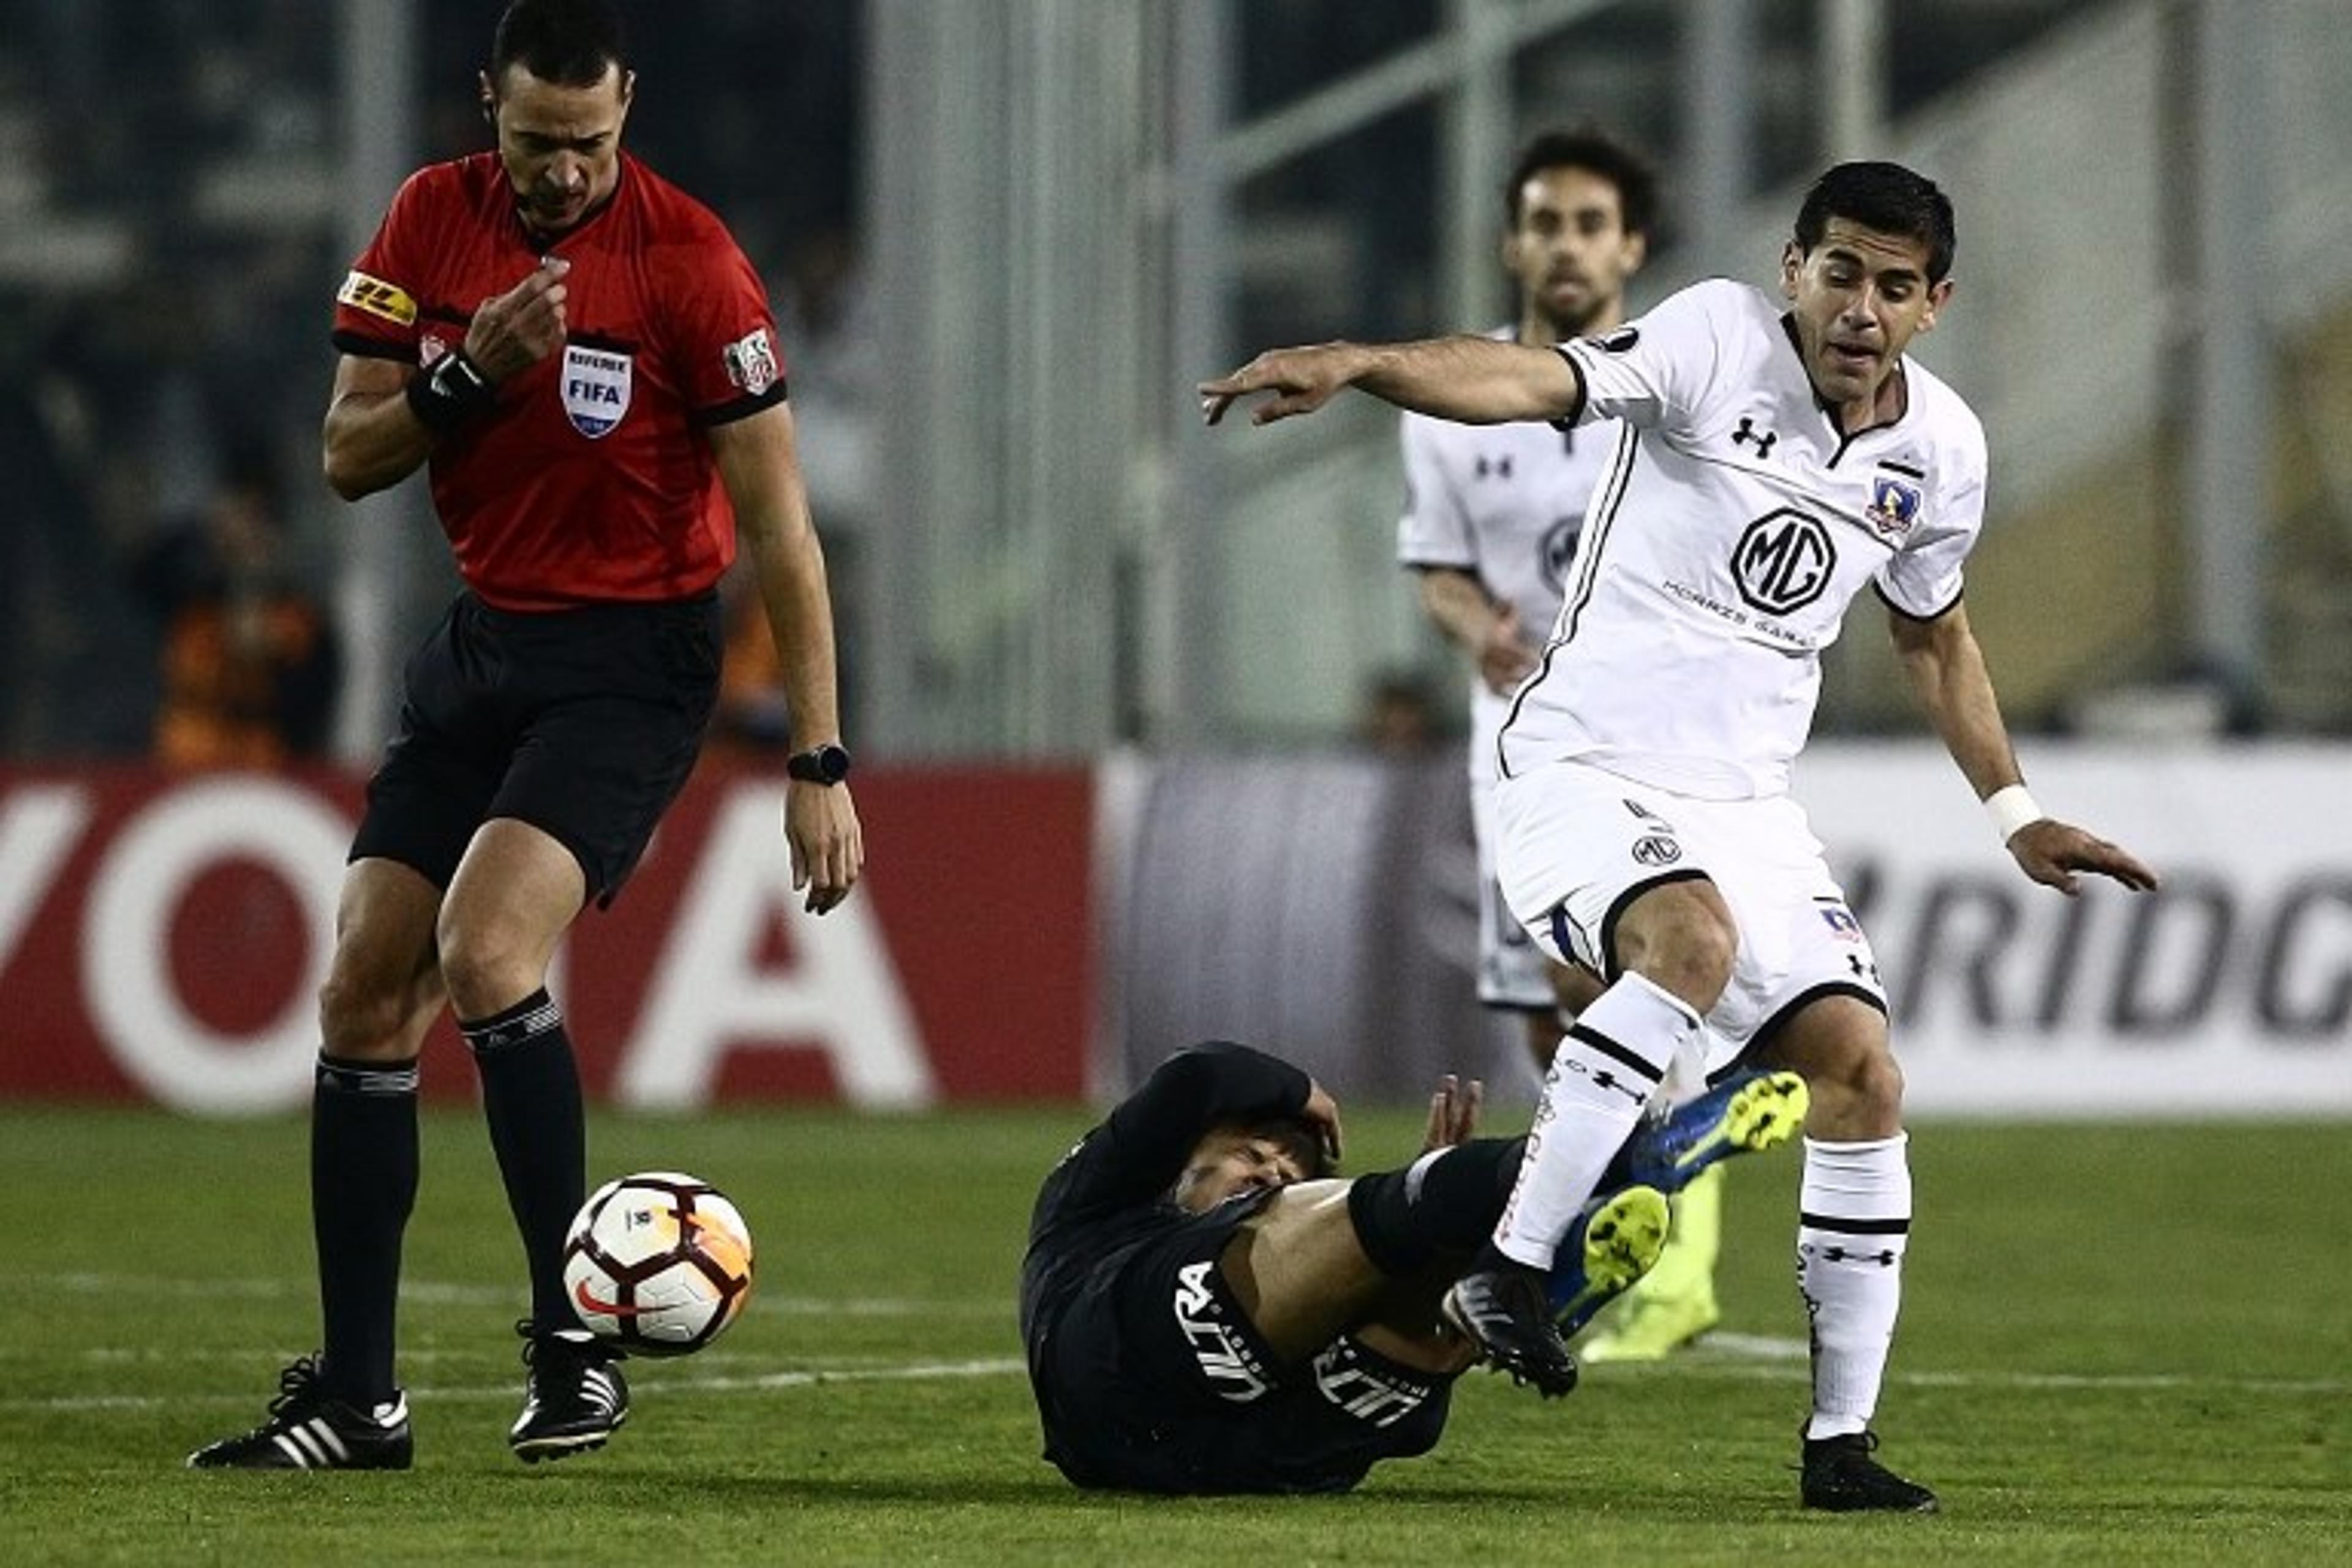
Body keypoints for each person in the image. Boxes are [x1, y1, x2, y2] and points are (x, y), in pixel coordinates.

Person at [1201, 160, 2160, 1512]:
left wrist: (2015, 809)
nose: (1860, 310)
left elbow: (1933, 635)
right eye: (1840, 273)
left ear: (1934, 304)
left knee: (1860, 1071)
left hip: (1746, 804)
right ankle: (1518, 1263)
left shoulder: (1941, 451)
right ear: (1793, 269)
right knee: (1689, 939)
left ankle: (1838, 1448)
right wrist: (1363, 362)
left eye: (1894, 287)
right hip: (1582, 759)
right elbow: (1526, 379)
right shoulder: (1711, 338)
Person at [188, 0, 863, 1471]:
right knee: (367, 984)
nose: (563, 172)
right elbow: (345, 456)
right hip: (486, 638)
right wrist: (467, 370)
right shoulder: (431, 220)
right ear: (484, 99)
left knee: (491, 953)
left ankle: (573, 1352)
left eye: (592, 142)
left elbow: (782, 532)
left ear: (631, 108)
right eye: (536, 142)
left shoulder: (689, 262)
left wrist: (816, 759)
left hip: (635, 663)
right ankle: (359, 1399)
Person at [1393, 127, 1725, 1365]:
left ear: (1631, 245)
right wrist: (1474, 622)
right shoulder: (1452, 400)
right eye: (1545, 222)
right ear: (1511, 241)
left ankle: (1671, 1257)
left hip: (1648, 741)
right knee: (1545, 1012)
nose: (1566, 245)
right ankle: (1610, 1231)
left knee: (1622, 979)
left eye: (1590, 224)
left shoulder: (1684, 391)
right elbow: (1436, 567)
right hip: (1515, 744)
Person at [1020, 1039, 1806, 1495]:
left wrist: (1426, 1229)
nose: (1270, 1169)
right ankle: (1612, 1177)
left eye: (1285, 1165)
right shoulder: (1096, 1216)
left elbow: (1410, 1416)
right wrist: (1302, 1093)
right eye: (1251, 1152)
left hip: (1271, 1450)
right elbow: (1196, 1080)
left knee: (1425, 1304)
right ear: (1186, 1159)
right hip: (1113, 1366)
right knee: (1364, 1223)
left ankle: (1510, 1264)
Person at [129, 437, 342, 770]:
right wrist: (206, 538)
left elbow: (313, 713)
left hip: (264, 775)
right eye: (240, 516)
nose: (248, 534)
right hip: (178, 768)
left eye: (259, 520)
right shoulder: (189, 594)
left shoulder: (301, 622)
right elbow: (139, 573)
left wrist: (269, 658)